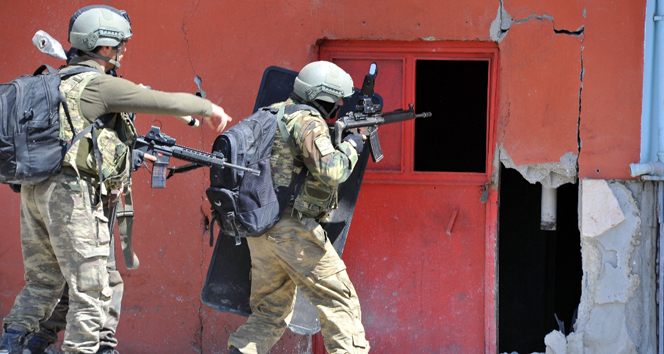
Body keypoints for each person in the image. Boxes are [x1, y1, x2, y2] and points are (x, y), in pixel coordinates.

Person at [0, 5, 232, 354]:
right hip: (72, 196)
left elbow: (89, 140)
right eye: (120, 44)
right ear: (103, 47)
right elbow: (161, 101)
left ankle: (10, 345)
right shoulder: (99, 86)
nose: (124, 50)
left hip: (37, 189)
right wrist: (208, 108)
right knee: (90, 290)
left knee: (43, 284)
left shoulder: (57, 82)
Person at [227, 61, 370, 354]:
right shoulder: (308, 121)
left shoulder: (271, 112)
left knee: (270, 311)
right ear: (323, 95)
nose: (338, 107)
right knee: (339, 301)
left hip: (262, 227)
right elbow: (333, 171)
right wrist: (353, 146)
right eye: (336, 101)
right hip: (294, 230)